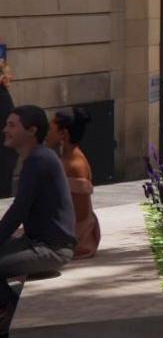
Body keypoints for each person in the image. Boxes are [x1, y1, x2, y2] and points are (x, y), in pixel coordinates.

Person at [0, 106, 76, 326]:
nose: (5, 129)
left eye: (12, 125)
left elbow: (18, 211)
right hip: (37, 242)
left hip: (52, 250)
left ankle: (9, 311)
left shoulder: (38, 161)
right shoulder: (38, 158)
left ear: (31, 130)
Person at [46, 109, 100, 260]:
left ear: (63, 134)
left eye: (50, 129)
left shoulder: (75, 165)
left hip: (77, 240)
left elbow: (81, 216)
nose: (46, 133)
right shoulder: (65, 159)